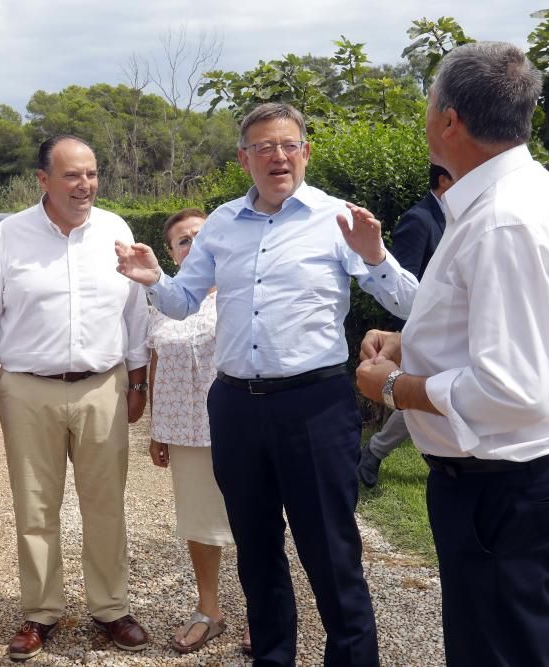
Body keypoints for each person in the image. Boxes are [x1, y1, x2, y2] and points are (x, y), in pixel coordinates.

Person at [115, 102, 417, 666]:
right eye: (263, 147)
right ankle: (273, 656)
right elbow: (182, 303)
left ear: (304, 151)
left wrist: (375, 254)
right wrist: (153, 278)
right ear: (244, 158)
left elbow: (411, 304)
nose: (277, 156)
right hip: (236, 407)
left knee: (330, 552)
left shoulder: (338, 219)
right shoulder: (223, 223)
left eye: (288, 145)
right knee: (256, 553)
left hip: (316, 406)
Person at [355, 42, 549, 667]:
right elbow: (497, 329)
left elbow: (510, 386)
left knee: (498, 651)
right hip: (499, 483)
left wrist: (393, 386)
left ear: (450, 119)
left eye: (428, 102)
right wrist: (411, 341)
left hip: (502, 485)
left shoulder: (504, 219)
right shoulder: (500, 199)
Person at [0, 135, 150, 661]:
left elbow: (134, 313)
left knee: (106, 504)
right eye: (71, 175)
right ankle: (41, 611)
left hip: (102, 386)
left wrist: (137, 382)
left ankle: (111, 608)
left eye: (90, 173)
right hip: (27, 389)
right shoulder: (9, 236)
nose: (84, 185)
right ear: (43, 180)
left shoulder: (115, 230)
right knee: (35, 507)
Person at [146, 208, 251, 655]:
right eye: (182, 241)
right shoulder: (160, 299)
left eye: (199, 236)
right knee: (198, 523)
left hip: (238, 426)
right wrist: (156, 428)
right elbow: (152, 359)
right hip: (183, 430)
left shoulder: (240, 289)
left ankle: (261, 611)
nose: (192, 245)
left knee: (252, 522)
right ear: (172, 253)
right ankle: (210, 610)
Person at [358, 163, 453, 487]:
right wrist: (406, 333)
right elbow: (402, 281)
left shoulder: (456, 218)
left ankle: (375, 451)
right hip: (422, 327)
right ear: (443, 180)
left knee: (428, 395)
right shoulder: (419, 219)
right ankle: (375, 451)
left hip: (449, 327)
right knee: (424, 396)